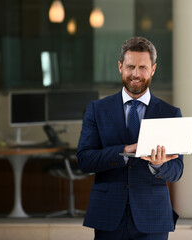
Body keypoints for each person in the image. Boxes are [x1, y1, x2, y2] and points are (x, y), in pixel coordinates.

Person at [77, 36, 184, 239]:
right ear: (120, 67)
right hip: (108, 215)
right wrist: (123, 151)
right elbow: (84, 160)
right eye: (130, 66)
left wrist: (159, 165)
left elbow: (177, 171)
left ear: (153, 69)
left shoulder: (170, 113)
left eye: (143, 67)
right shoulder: (97, 109)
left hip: (152, 217)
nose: (136, 74)